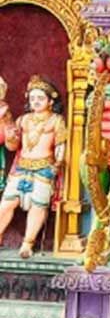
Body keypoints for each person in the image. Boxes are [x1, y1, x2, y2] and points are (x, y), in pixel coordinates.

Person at [0, 76, 66, 258]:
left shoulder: (56, 120)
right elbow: (12, 147)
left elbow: (61, 146)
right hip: (21, 167)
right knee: (7, 203)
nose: (36, 102)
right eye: (33, 98)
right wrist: (12, 136)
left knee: (38, 206)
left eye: (41, 98)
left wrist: (57, 164)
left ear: (50, 101)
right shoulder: (23, 120)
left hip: (44, 167)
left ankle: (27, 243)